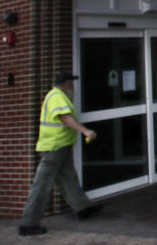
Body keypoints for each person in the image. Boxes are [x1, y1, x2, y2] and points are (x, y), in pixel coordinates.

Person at [18, 73, 104, 236]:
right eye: (72, 83)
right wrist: (85, 131)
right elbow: (65, 118)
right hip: (54, 148)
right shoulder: (57, 96)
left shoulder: (56, 96)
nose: (73, 86)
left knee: (69, 178)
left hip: (61, 147)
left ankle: (83, 208)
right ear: (66, 84)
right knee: (42, 185)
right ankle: (28, 224)